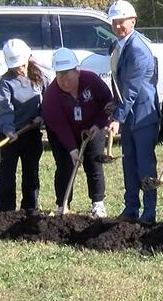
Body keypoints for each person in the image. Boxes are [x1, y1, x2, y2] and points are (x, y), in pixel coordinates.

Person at [106, 0, 160, 224]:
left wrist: (118, 117)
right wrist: (114, 104)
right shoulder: (118, 46)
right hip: (128, 114)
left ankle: (148, 214)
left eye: (122, 22)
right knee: (129, 163)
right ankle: (130, 209)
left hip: (143, 116)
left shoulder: (138, 50)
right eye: (115, 22)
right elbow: (119, 83)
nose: (118, 26)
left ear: (133, 21)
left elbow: (132, 90)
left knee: (145, 164)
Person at [42, 48, 112, 217]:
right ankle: (63, 204)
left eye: (68, 78)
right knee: (65, 166)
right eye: (60, 78)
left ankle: (97, 203)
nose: (65, 83)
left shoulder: (91, 80)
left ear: (77, 72)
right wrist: (72, 149)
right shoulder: (52, 95)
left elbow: (108, 103)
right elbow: (59, 125)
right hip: (62, 134)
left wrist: (99, 124)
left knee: (94, 164)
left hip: (93, 130)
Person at [0, 39, 48, 213]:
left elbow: (49, 103)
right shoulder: (6, 82)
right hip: (10, 135)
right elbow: (5, 109)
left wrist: (41, 117)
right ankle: (6, 211)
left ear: (28, 57)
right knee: (6, 174)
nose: (19, 68)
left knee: (31, 173)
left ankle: (29, 209)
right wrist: (8, 130)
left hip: (31, 134)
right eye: (15, 65)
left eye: (21, 64)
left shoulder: (41, 77)